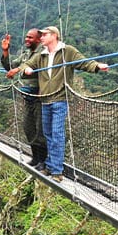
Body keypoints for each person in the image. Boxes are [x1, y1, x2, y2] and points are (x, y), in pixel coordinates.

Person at [18, 26, 109, 182]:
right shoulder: (42, 55)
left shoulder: (67, 51)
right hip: (45, 99)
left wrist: (97, 66)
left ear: (54, 35)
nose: (41, 38)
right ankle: (49, 165)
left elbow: (83, 62)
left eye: (45, 35)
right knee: (48, 135)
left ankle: (57, 171)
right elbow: (26, 64)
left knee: (57, 134)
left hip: (60, 99)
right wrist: (26, 70)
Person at [1, 29, 47, 169]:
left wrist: (18, 70)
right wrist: (5, 51)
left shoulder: (42, 53)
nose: (27, 39)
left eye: (30, 37)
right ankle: (35, 157)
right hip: (28, 97)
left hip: (40, 96)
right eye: (26, 37)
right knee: (28, 128)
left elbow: (32, 65)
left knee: (40, 130)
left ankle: (43, 161)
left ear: (38, 39)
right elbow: (10, 67)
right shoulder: (26, 54)